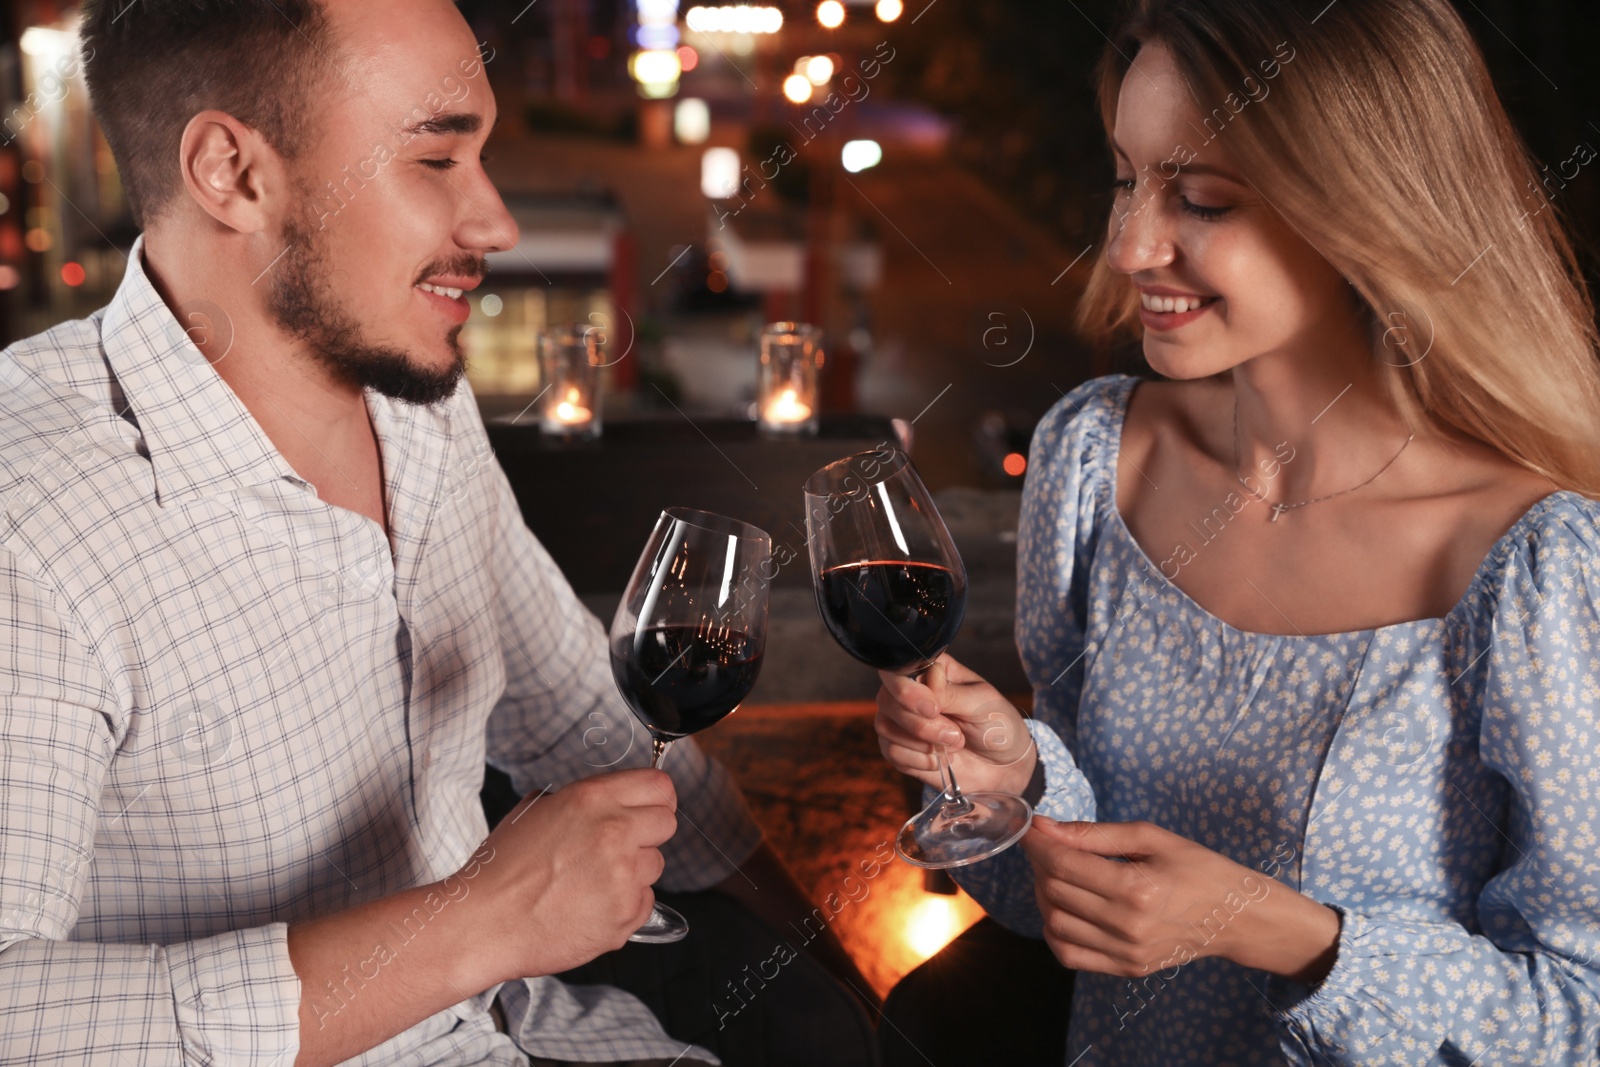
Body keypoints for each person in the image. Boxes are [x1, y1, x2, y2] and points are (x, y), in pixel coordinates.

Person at [0, 2, 872, 1065]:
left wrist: (828, 964)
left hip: (527, 1029)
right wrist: (478, 921)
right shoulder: (30, 515)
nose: (496, 222)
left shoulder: (415, 399)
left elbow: (574, 710)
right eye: (435, 159)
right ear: (230, 171)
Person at [874, 0, 1600, 1064]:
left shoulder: (1534, 566)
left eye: (1201, 199)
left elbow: (1578, 1010)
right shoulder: (1093, 457)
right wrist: (1017, 780)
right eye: (1126, 178)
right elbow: (1048, 912)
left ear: (1365, 210)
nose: (1129, 244)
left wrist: (1280, 931)